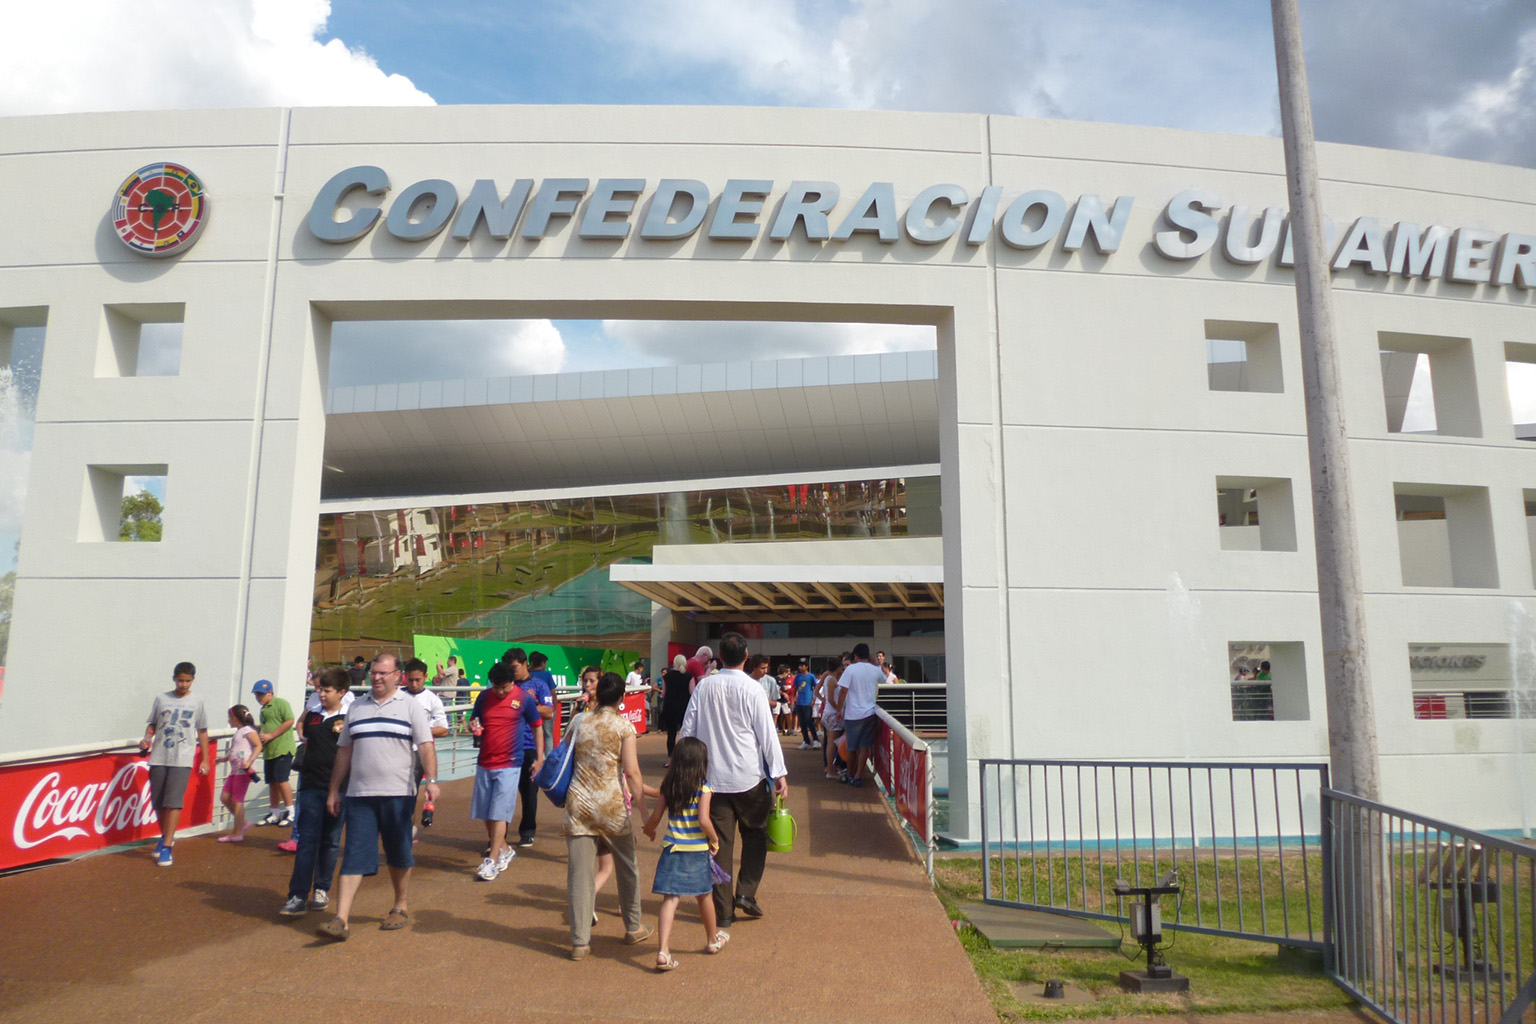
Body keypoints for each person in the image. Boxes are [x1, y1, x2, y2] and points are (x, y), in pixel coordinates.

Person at [317, 654, 440, 941]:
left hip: (398, 793)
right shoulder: (356, 708)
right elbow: (344, 751)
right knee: (355, 854)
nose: (377, 678)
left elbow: (425, 745)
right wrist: (335, 789)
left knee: (398, 852)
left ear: (397, 675)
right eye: (373, 673)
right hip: (359, 794)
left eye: (384, 673)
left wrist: (432, 781)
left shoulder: (411, 707)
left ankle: (400, 905)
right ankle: (341, 918)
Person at [678, 632, 788, 926]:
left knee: (718, 846)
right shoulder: (752, 690)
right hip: (749, 777)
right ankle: (746, 893)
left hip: (712, 781)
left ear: (719, 657)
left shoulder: (704, 687)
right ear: (746, 656)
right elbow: (767, 734)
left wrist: (684, 770)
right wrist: (778, 773)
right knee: (755, 836)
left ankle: (723, 912)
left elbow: (687, 731)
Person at [564, 671, 652, 960]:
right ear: (623, 698)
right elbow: (632, 772)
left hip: (578, 803)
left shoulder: (579, 721)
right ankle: (633, 926)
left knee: (579, 873)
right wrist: (645, 813)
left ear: (597, 693)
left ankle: (579, 942)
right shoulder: (624, 727)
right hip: (612, 806)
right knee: (628, 867)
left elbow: (564, 750)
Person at [642, 737, 727, 970]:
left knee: (670, 898)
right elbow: (703, 820)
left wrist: (648, 830)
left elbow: (656, 817)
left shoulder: (669, 787)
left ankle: (663, 950)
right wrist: (714, 838)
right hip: (696, 850)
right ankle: (712, 940)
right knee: (704, 895)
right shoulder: (704, 788)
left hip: (672, 847)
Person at [281, 669, 350, 916]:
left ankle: (322, 888)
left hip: (339, 789)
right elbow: (304, 731)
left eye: (326, 690)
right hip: (310, 786)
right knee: (307, 841)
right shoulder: (312, 716)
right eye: (320, 689)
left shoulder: (349, 717)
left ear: (342, 692)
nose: (321, 694)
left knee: (330, 842)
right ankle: (298, 895)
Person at [469, 661, 545, 881]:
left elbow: (537, 726)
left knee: (499, 812)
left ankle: (492, 860)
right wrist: (472, 727)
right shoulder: (484, 698)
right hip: (485, 761)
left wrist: (539, 759)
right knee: (485, 813)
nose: (500, 692)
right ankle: (504, 849)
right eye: (496, 687)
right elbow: (473, 722)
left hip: (511, 763)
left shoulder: (524, 698)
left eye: (504, 687)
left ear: (513, 681)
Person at [138, 661, 209, 868]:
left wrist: (204, 758)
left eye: (187, 681)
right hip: (159, 755)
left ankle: (168, 846)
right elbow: (152, 724)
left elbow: (202, 730)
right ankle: (164, 837)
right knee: (159, 802)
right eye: (180, 680)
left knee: (173, 801)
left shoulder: (198, 701)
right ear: (174, 679)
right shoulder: (161, 698)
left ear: (193, 680)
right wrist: (146, 739)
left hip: (183, 757)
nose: (184, 684)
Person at [503, 648, 554, 849]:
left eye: (514, 667)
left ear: (525, 664)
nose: (512, 671)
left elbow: (549, 711)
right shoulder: (505, 685)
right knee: (504, 793)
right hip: (507, 746)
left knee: (529, 792)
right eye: (509, 668)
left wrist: (525, 704)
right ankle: (499, 836)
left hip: (531, 746)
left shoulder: (539, 685)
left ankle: (527, 831)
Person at [401, 657, 449, 830]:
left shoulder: (432, 700)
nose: (414, 684)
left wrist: (420, 731)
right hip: (397, 752)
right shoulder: (397, 696)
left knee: (410, 794)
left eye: (418, 680)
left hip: (418, 753)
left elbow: (444, 729)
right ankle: (405, 828)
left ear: (425, 676)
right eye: (410, 679)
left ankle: (407, 831)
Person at [835, 643, 883, 789]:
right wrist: (875, 663)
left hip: (852, 714)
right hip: (870, 713)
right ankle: (858, 776)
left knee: (851, 747)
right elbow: (884, 680)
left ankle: (850, 774)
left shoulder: (850, 669)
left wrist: (839, 710)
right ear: (869, 655)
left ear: (855, 656)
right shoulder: (875, 670)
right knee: (864, 747)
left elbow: (843, 691)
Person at [252, 679, 297, 827]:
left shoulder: (281, 703)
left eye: (261, 694)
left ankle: (291, 811)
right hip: (270, 751)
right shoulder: (263, 710)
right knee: (272, 781)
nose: (259, 698)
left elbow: (290, 720)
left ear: (270, 693)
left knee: (281, 779)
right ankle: (274, 812)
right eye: (257, 695)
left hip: (283, 748)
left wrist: (271, 735)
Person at [216, 705, 260, 842]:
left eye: (229, 718)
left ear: (234, 718)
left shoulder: (247, 730)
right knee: (224, 797)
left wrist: (250, 761)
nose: (229, 720)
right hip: (235, 770)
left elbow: (258, 745)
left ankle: (237, 832)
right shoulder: (239, 731)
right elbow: (236, 750)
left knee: (237, 800)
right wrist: (223, 759)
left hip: (243, 770)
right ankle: (242, 822)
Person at [658, 654, 692, 760]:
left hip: (670, 707)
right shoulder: (689, 676)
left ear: (674, 663)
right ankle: (685, 757)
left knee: (671, 735)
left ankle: (671, 759)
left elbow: (664, 693)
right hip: (684, 708)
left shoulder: (666, 677)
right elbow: (693, 693)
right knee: (686, 733)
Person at [792, 661, 819, 749]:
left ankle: (816, 740)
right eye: (799, 665)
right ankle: (806, 741)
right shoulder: (798, 677)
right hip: (799, 702)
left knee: (809, 722)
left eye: (802, 666)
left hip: (807, 701)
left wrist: (813, 699)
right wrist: (793, 700)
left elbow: (816, 688)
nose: (800, 667)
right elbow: (795, 689)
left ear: (806, 666)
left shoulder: (811, 676)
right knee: (802, 723)